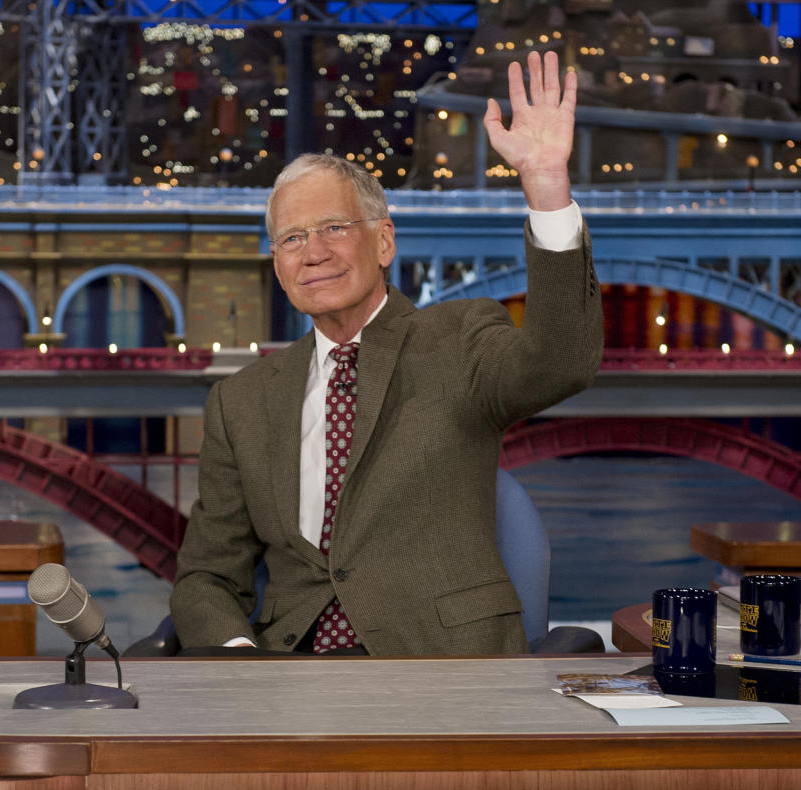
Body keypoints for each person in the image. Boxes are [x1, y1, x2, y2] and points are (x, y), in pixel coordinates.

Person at [170, 50, 603, 656]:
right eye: (292, 238)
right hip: (292, 681)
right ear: (278, 265)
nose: (312, 252)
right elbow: (207, 578)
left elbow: (563, 360)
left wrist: (546, 186)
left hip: (443, 671)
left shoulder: (459, 338)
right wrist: (243, 665)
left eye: (334, 228)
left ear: (384, 241)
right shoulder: (240, 402)